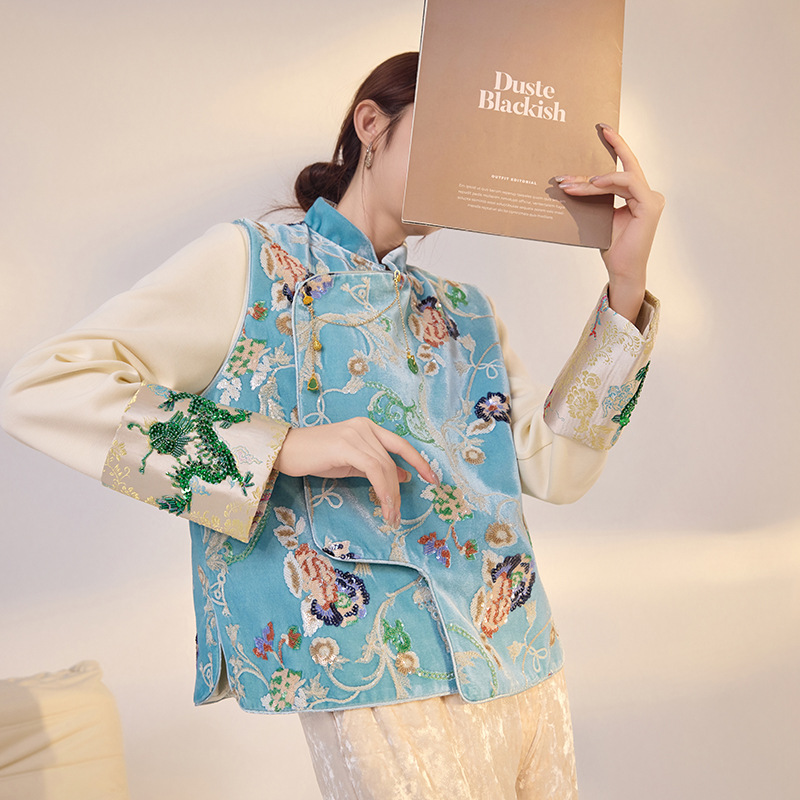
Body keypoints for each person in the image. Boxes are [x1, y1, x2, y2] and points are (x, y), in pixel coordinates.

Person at [0, 52, 662, 799]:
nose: (459, 170)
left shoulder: (466, 312)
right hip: (379, 677)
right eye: (444, 137)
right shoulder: (249, 264)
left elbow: (557, 471)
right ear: (371, 124)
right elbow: (42, 389)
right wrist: (279, 447)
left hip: (524, 661)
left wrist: (626, 286)